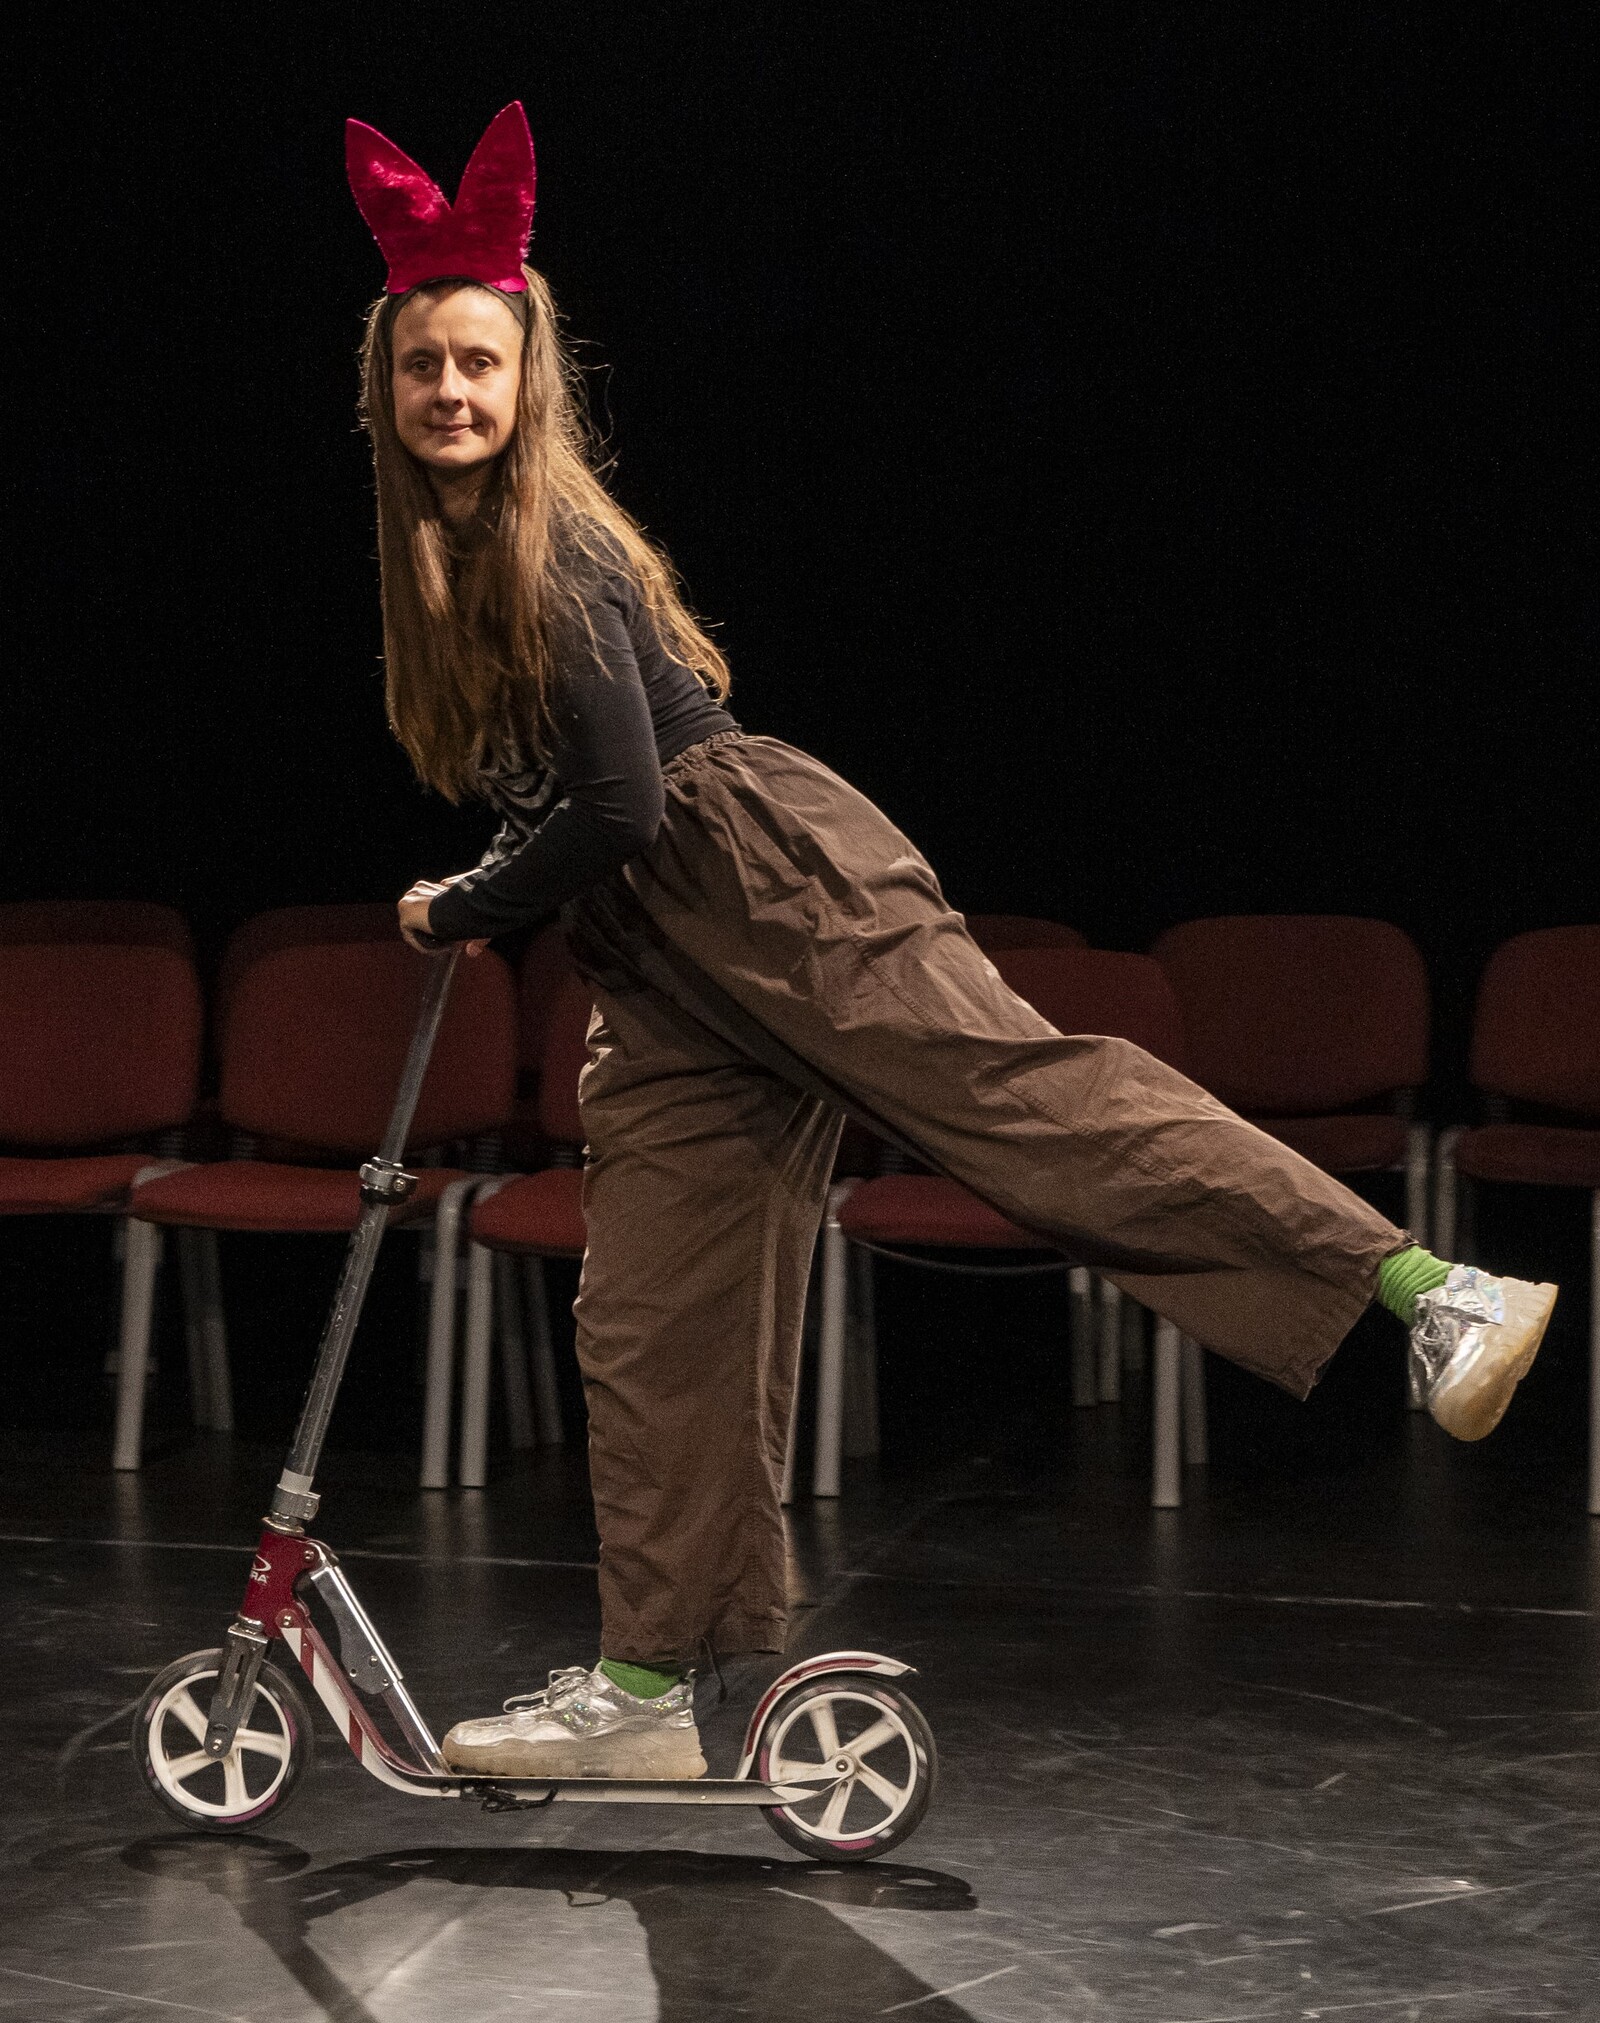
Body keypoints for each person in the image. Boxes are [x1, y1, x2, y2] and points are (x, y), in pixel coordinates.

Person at [348, 104, 1558, 1781]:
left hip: (759, 877)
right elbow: (574, 786)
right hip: (663, 962)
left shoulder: (547, 545)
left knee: (1026, 1106)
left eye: (481, 363)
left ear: (529, 376)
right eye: (427, 371)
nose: (455, 394)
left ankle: (1432, 1289)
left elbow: (627, 801)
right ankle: (643, 1692)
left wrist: (468, 906)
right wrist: (498, 869)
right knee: (653, 1309)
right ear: (387, 393)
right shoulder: (455, 560)